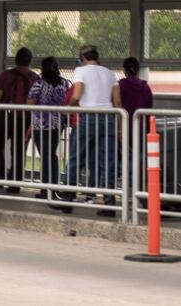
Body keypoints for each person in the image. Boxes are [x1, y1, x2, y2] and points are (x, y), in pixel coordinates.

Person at [59, 45, 121, 206]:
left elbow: (77, 94)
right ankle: (109, 200)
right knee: (107, 161)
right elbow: (117, 102)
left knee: (76, 156)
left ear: (83, 58)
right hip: (109, 119)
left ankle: (69, 196)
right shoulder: (109, 73)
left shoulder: (81, 71)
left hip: (88, 117)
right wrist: (120, 127)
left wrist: (67, 109)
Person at [0, 47, 38, 191]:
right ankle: (15, 184)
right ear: (30, 61)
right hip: (26, 119)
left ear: (16, 59)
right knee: (19, 150)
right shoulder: (35, 77)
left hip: (6, 117)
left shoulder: (6, 75)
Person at [27, 57, 70, 191]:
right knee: (51, 153)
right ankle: (54, 184)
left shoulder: (39, 83)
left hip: (40, 124)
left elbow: (30, 103)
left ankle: (46, 187)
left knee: (45, 155)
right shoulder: (64, 83)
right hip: (58, 123)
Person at [118, 57, 153, 123]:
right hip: (141, 127)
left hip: (125, 126)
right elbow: (149, 108)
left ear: (124, 70)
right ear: (138, 70)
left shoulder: (120, 85)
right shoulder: (146, 87)